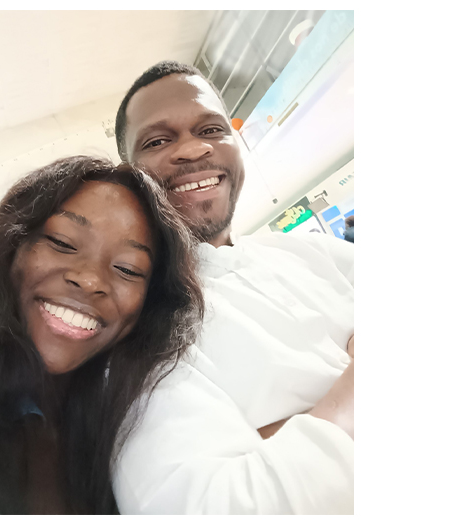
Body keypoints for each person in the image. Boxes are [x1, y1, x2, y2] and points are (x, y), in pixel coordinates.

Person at [111, 61, 354, 514]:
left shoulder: (313, 252)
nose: (193, 149)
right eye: (158, 141)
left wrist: (285, 436)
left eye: (211, 129)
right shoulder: (140, 336)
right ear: (129, 178)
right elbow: (214, 508)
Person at [0, 155, 204, 514]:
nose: (90, 280)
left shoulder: (132, 427)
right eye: (62, 242)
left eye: (128, 269)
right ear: (12, 246)